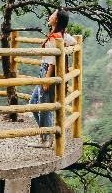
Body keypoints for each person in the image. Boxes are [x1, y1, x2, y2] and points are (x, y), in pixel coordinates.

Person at [30, 8, 77, 145]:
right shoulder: (61, 35)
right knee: (34, 103)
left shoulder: (55, 37)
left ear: (56, 20)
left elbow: (51, 60)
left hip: (47, 71)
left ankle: (45, 139)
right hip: (46, 70)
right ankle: (48, 135)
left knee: (45, 106)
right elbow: (74, 42)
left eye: (53, 14)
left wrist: (47, 78)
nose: (50, 16)